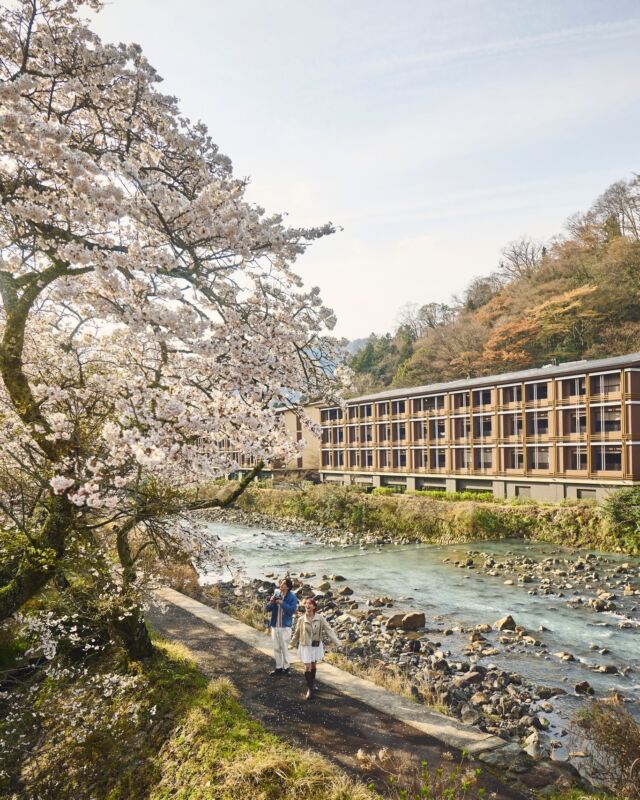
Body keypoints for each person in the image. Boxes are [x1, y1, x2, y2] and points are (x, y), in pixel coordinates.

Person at [290, 597, 341, 699]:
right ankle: (310, 689)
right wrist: (292, 644)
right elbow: (296, 633)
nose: (307, 605)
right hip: (305, 645)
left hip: (315, 645)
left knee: (313, 665)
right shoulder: (301, 619)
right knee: (307, 666)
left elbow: (329, 630)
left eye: (310, 604)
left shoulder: (320, 618)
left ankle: (312, 683)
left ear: (314, 606)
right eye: (306, 604)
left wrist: (337, 642)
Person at [265, 576, 299, 676]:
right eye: (280, 584)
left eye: (283, 584)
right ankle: (278, 667)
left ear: (287, 587)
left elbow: (291, 611)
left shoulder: (292, 597)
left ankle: (287, 668)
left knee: (284, 647)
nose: (280, 585)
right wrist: (271, 602)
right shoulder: (276, 594)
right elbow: (267, 609)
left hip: (285, 627)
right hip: (275, 626)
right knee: (276, 647)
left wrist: (282, 603)